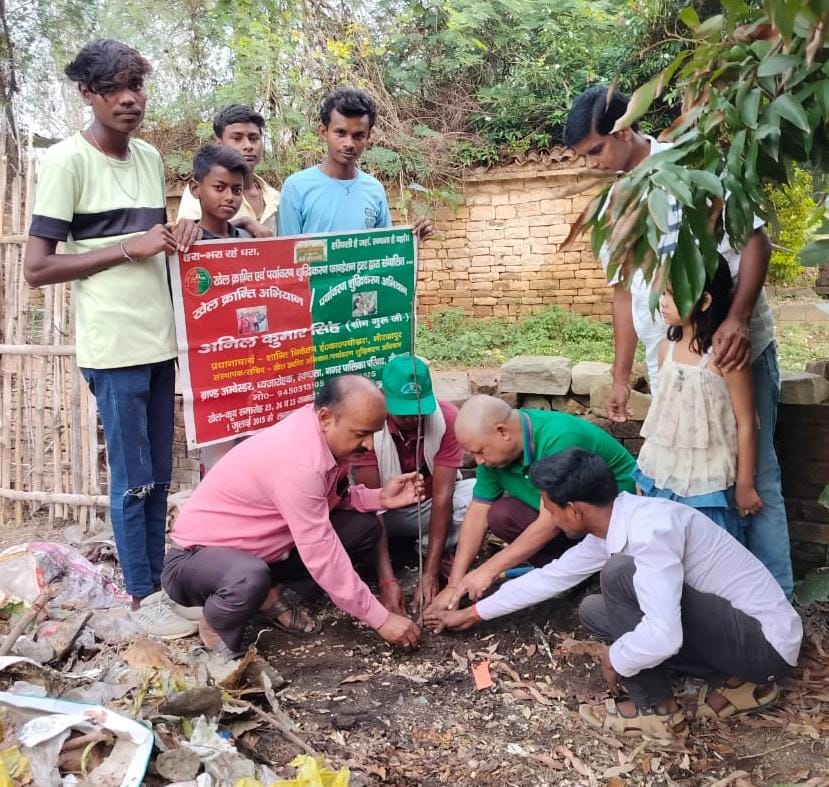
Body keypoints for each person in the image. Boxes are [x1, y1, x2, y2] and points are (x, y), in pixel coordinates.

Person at [563, 85, 793, 598]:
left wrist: (734, 319)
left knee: (757, 476)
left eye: (597, 150)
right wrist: (622, 376)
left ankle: (775, 604)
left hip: (732, 350)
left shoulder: (692, 164)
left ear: (624, 130)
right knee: (692, 484)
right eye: (584, 158)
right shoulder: (612, 204)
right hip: (671, 363)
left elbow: (754, 240)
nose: (594, 165)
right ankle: (705, 608)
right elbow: (623, 295)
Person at [429, 449, 802, 740]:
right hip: (735, 633)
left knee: (620, 575)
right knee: (596, 610)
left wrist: (617, 656)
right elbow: (552, 577)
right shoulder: (614, 525)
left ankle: (656, 711)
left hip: (765, 644)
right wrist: (474, 613)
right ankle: (733, 680)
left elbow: (664, 635)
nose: (548, 517)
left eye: (550, 508)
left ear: (574, 510)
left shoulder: (652, 532)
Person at [24, 40, 199, 636]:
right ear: (87, 94)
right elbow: (38, 268)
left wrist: (174, 238)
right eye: (114, 89)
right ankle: (141, 596)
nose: (129, 99)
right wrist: (129, 247)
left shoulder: (148, 157)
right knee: (132, 482)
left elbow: (150, 247)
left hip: (159, 343)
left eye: (137, 86)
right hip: (115, 349)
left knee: (160, 479)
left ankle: (155, 587)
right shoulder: (67, 162)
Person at [161, 375, 423, 659]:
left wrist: (380, 498)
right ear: (326, 418)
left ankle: (268, 595)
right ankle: (215, 624)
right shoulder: (300, 464)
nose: (369, 445)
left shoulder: (320, 435)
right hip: (193, 561)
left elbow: (331, 500)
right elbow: (322, 554)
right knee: (248, 577)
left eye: (374, 433)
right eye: (361, 434)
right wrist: (380, 619)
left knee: (364, 527)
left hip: (258, 551)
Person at [425, 395, 636, 615]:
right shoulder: (492, 457)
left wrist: (488, 570)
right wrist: (454, 585)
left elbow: (550, 522)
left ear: (503, 431)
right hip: (569, 522)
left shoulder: (559, 437)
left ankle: (585, 573)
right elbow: (478, 512)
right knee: (501, 514)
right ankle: (565, 575)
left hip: (614, 527)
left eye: (480, 451)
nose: (479, 461)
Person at [635, 255, 762, 538]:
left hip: (708, 479)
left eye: (672, 293)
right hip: (665, 471)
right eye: (663, 292)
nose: (663, 301)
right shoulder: (667, 347)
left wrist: (744, 485)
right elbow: (662, 414)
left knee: (708, 554)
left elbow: (745, 421)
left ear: (704, 301)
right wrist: (647, 470)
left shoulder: (725, 357)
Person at [352, 355, 475, 613]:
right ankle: (391, 553)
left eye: (420, 411)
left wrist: (429, 573)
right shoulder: (368, 426)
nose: (414, 420)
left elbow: (443, 498)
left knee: (475, 496)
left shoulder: (447, 419)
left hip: (429, 506)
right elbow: (376, 506)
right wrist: (387, 581)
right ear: (384, 398)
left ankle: (429, 548)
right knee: (359, 523)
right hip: (389, 512)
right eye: (405, 414)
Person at [277, 88, 433, 241]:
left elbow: (382, 253)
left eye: (358, 135)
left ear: (368, 137)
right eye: (340, 133)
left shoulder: (374, 190)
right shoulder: (296, 187)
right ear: (324, 132)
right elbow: (285, 256)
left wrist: (408, 243)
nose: (349, 143)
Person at [177, 104, 279, 236]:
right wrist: (244, 222)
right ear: (219, 143)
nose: (248, 146)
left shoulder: (275, 198)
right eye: (237, 138)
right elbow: (191, 234)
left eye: (254, 139)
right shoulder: (201, 193)